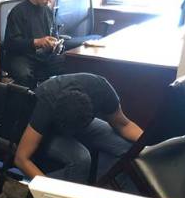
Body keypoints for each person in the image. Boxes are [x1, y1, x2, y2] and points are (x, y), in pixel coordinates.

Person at [14, 73, 143, 184]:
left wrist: (149, 147)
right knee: (82, 159)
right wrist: (47, 190)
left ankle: (107, 188)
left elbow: (124, 125)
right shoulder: (45, 105)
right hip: (49, 132)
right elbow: (21, 158)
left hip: (78, 121)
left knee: (130, 149)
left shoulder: (100, 89)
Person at [3, 0, 66, 89]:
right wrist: (36, 42)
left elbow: (53, 35)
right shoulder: (18, 12)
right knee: (24, 75)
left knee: (70, 63)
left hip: (44, 56)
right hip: (22, 57)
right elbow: (10, 43)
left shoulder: (48, 11)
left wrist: (56, 45)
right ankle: (28, 104)